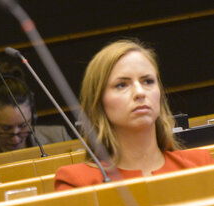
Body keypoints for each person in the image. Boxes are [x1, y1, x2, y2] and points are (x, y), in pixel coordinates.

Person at [55, 39, 212, 190]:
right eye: (121, 85)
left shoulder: (201, 165)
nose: (140, 92)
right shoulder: (77, 182)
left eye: (148, 81)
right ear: (99, 102)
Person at [0, 60, 70, 160]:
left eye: (23, 126)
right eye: (6, 128)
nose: (15, 139)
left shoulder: (59, 139)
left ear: (33, 115)